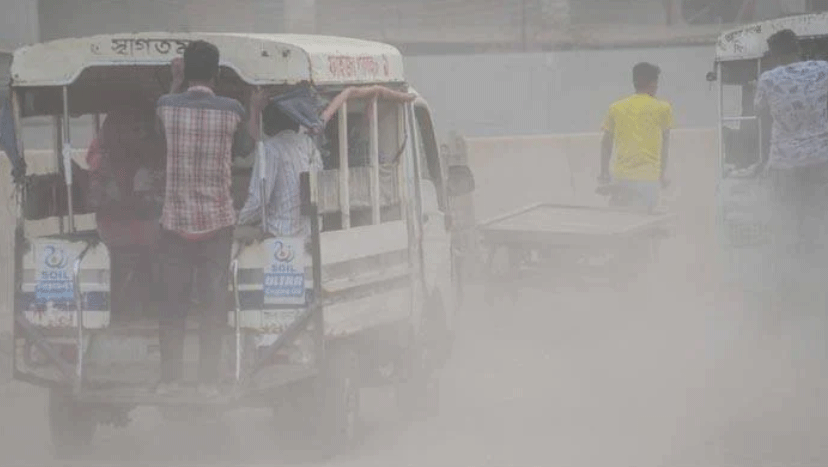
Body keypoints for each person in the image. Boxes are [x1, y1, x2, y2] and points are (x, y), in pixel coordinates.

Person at [155, 40, 265, 396]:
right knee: (212, 306)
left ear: (185, 70)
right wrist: (254, 106)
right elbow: (246, 148)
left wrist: (174, 82)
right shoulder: (232, 110)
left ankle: (170, 381)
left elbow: (159, 135)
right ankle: (208, 383)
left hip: (174, 223)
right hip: (217, 224)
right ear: (217, 73)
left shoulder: (166, 106)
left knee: (172, 306)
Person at [752, 29, 828, 307]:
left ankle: (790, 290)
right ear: (798, 47)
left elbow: (760, 112)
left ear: (774, 55)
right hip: (822, 159)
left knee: (787, 224)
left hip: (785, 164)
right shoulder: (823, 69)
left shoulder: (768, 79)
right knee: (820, 218)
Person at [86, 101, 165, 324]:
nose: (141, 134)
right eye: (136, 129)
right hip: (128, 228)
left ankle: (138, 304)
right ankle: (151, 304)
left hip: (116, 227)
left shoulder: (102, 160)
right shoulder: (109, 163)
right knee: (158, 247)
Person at [238, 102, 322, 238]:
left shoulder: (269, 149)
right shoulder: (308, 144)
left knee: (235, 234)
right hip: (311, 231)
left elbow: (258, 202)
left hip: (280, 232)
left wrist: (237, 219)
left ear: (270, 124)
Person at [599, 62, 673, 213]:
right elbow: (664, 146)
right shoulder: (663, 108)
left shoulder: (615, 108)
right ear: (653, 84)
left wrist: (604, 173)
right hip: (648, 180)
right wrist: (662, 175)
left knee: (618, 219)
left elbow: (606, 144)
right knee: (644, 221)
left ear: (634, 82)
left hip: (621, 179)